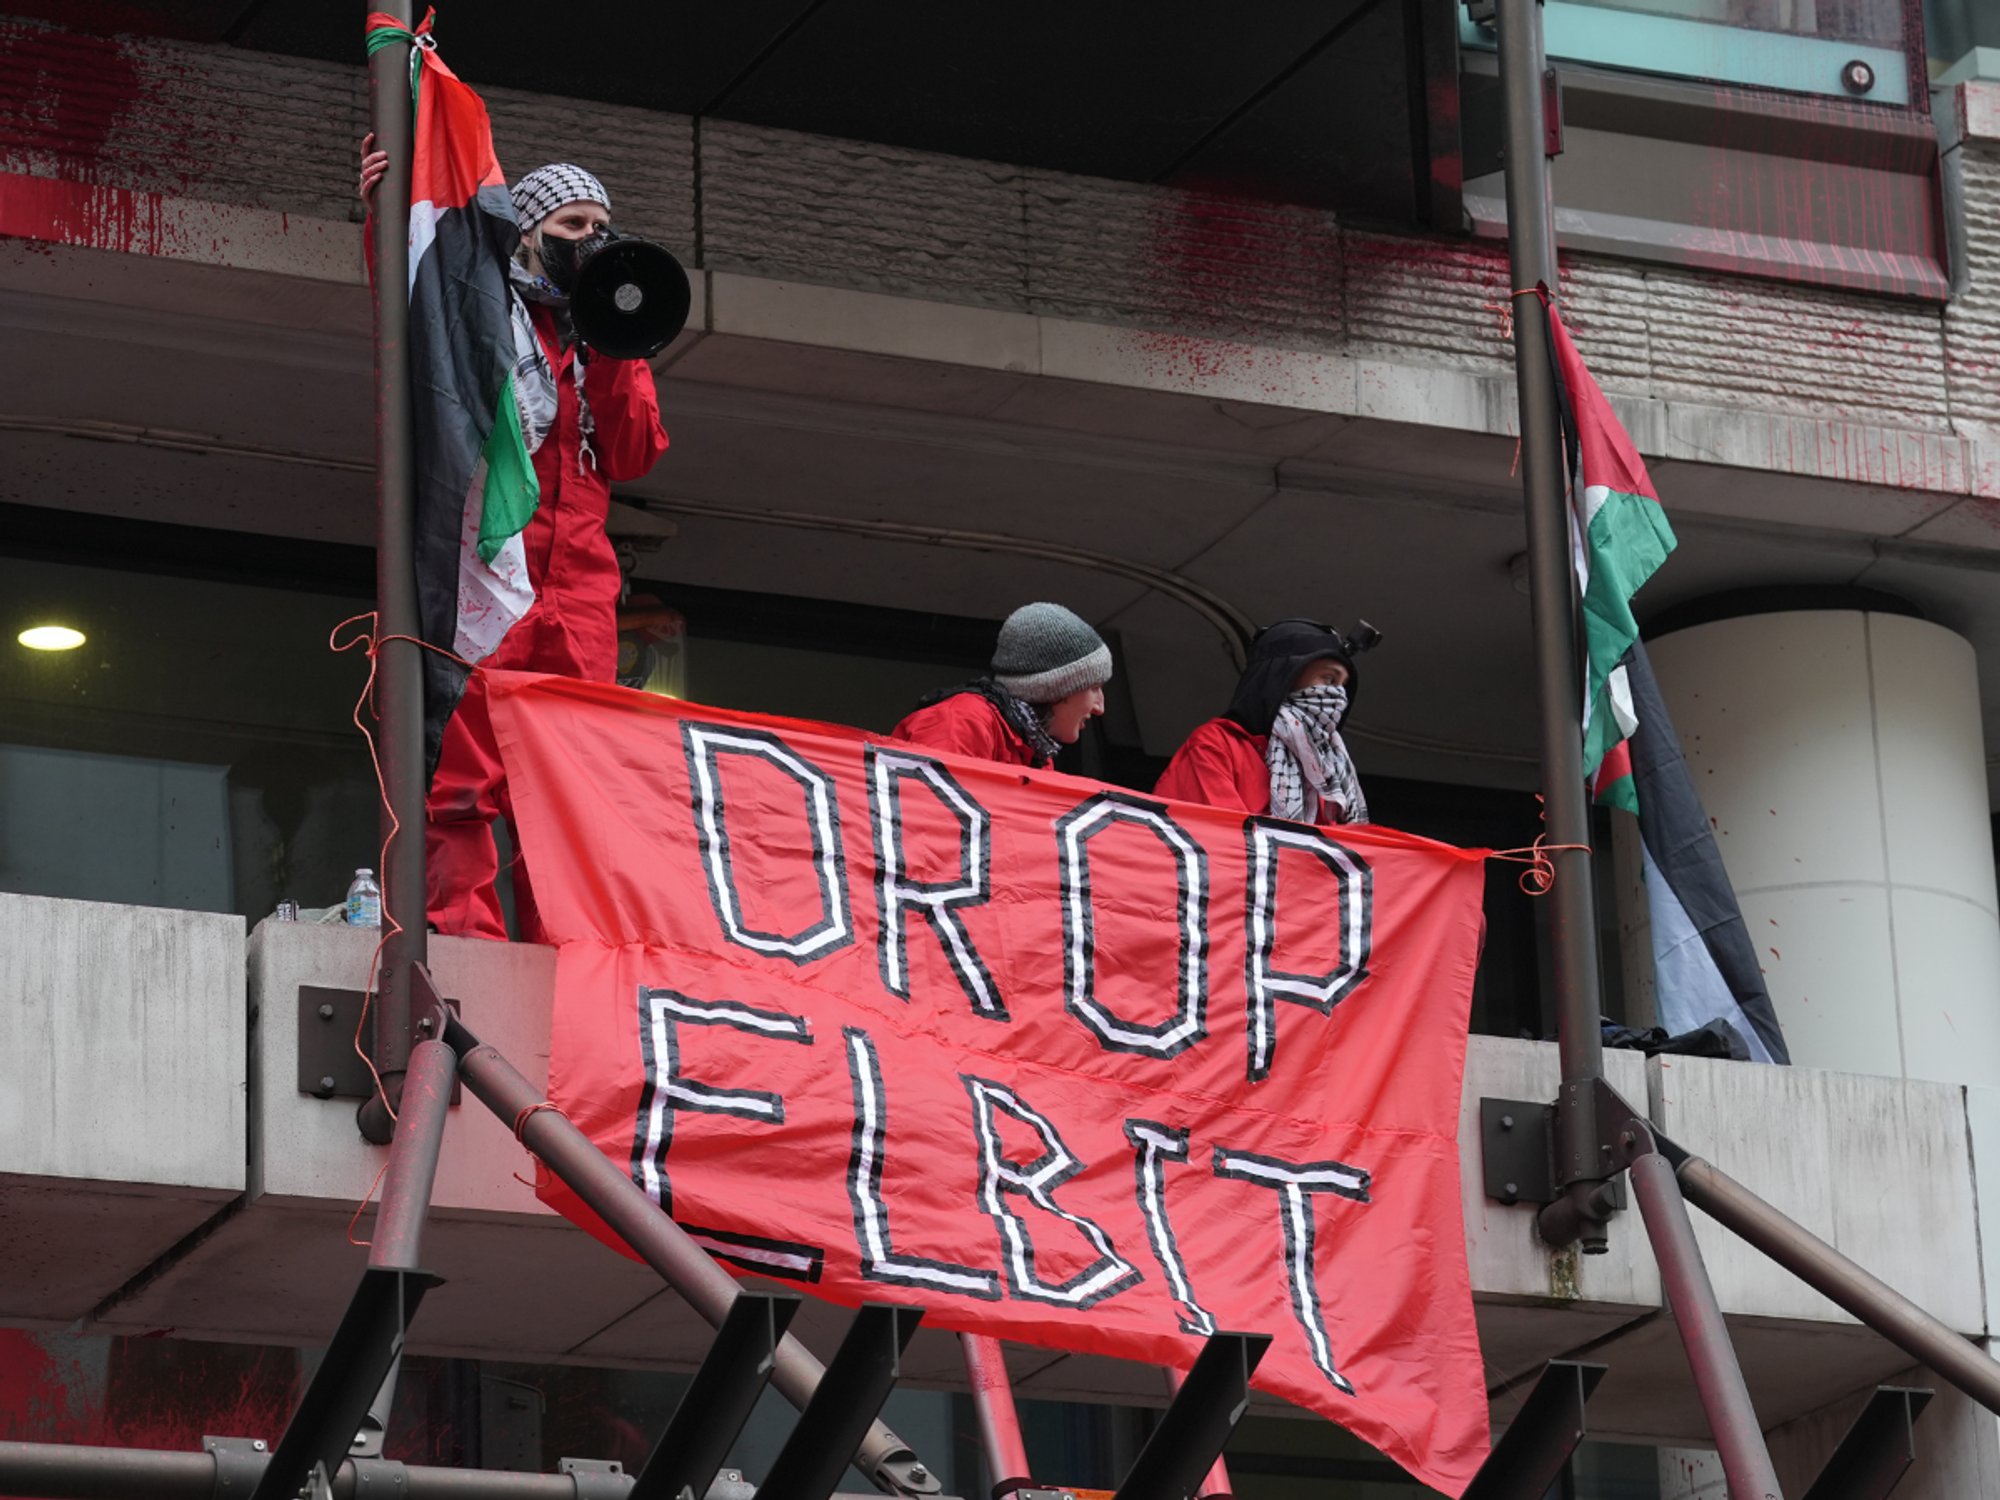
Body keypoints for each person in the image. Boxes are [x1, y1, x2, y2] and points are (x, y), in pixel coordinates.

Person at [359, 143, 672, 938]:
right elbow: (413, 302)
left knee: (570, 786)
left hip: (582, 596)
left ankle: (561, 951)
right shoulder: (480, 304)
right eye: (575, 224)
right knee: (462, 775)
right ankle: (466, 945)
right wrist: (382, 213)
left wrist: (618, 339)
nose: (592, 241)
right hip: (490, 575)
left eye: (603, 227)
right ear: (529, 232)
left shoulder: (602, 334)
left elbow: (633, 451)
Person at [1154, 618, 1378, 825]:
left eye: (1342, 685)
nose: (1339, 695)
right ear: (1282, 678)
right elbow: (1221, 843)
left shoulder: (1327, 772)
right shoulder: (1216, 744)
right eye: (1328, 678)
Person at [891, 603, 1112, 768]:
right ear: (1056, 688)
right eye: (1094, 688)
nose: (1099, 707)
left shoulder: (1037, 754)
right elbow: (928, 816)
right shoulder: (960, 723)